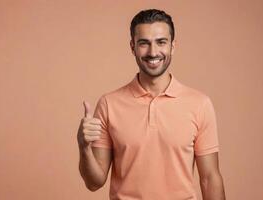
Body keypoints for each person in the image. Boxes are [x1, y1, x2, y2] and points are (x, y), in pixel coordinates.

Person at [77, 8, 226, 200]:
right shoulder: (108, 104)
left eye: (161, 42)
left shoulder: (199, 104)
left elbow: (210, 178)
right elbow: (94, 182)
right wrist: (84, 148)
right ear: (132, 47)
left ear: (173, 46)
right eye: (144, 43)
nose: (153, 52)